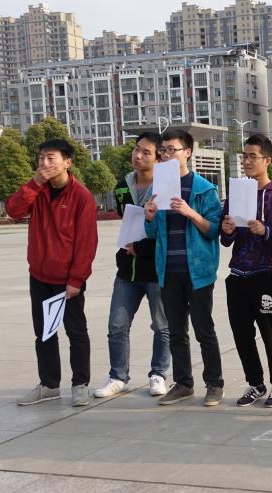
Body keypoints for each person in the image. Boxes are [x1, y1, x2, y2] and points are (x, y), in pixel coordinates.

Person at [7, 139, 98, 407]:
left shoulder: (81, 196)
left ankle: (80, 385)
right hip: (39, 275)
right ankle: (49, 385)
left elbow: (86, 242)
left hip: (67, 280)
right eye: (41, 158)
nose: (44, 163)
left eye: (51, 158)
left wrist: (76, 279)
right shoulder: (38, 191)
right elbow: (13, 210)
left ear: (67, 162)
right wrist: (35, 182)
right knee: (44, 333)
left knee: (76, 332)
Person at [143, 129, 225, 406]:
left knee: (204, 330)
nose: (166, 155)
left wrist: (190, 212)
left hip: (198, 271)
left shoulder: (204, 189)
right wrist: (150, 217)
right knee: (176, 331)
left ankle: (214, 384)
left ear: (187, 152)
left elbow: (213, 230)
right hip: (169, 270)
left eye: (172, 150)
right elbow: (152, 234)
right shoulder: (158, 188)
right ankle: (183, 384)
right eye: (163, 151)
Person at [219, 134, 272, 408]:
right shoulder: (236, 194)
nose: (247, 161)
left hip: (266, 274)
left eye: (253, 156)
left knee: (270, 332)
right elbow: (225, 239)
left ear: (267, 160)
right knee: (242, 334)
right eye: (245, 156)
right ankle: (255, 383)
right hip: (238, 273)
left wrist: (266, 231)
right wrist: (227, 230)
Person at [94, 132, 171, 399]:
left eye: (145, 152)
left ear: (159, 158)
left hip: (157, 269)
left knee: (161, 326)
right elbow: (124, 218)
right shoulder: (122, 186)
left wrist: (143, 247)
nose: (138, 156)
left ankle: (158, 374)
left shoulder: (166, 188)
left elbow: (167, 230)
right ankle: (118, 377)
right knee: (117, 325)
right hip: (127, 268)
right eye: (136, 149)